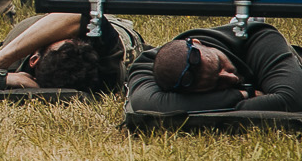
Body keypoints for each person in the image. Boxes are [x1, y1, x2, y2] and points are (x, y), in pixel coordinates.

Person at [0, 10, 144, 92]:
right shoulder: (104, 66)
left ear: (33, 58)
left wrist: (3, 74)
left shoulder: (15, 66)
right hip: (115, 27)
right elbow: (79, 15)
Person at [125, 23, 302, 115]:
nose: (230, 77)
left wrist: (217, 108)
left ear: (198, 43)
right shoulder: (148, 65)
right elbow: (149, 105)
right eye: (217, 83)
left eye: (220, 64)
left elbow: (292, 99)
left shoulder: (258, 38)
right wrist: (244, 95)